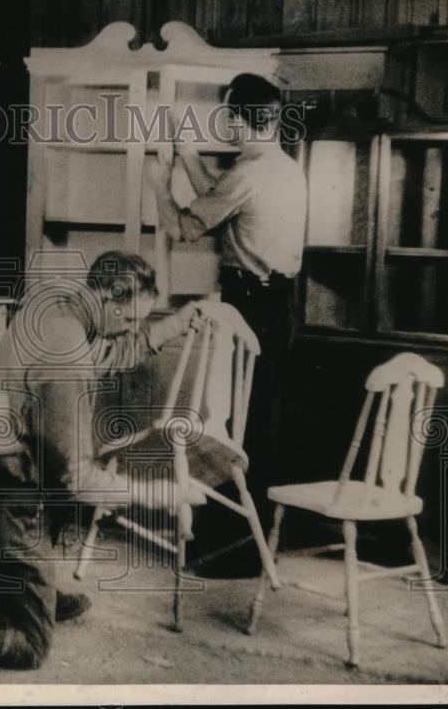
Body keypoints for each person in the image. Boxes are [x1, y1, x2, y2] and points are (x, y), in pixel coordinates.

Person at [0, 251, 206, 674]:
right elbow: (77, 479)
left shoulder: (58, 306)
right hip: (0, 486)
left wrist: (171, 327)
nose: (130, 330)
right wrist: (162, 494)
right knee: (30, 645)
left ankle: (38, 588)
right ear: (107, 297)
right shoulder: (66, 354)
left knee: (47, 472)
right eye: (128, 322)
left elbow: (103, 355)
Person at [153, 73, 308, 555]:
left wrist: (158, 183)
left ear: (240, 119)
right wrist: (188, 154)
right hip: (276, 305)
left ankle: (237, 542)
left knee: (239, 424)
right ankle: (252, 534)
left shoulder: (248, 174)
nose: (225, 125)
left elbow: (185, 227)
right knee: (259, 419)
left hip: (250, 306)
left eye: (227, 117)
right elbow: (220, 198)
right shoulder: (279, 166)